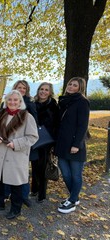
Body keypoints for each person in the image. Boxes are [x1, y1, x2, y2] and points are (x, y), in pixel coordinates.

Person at [0, 90, 38, 220]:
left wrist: (16, 143)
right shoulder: (1, 114)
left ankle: (16, 209)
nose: (12, 102)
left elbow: (33, 137)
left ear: (20, 102)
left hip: (16, 155)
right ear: (6, 101)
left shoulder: (27, 117)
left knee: (16, 184)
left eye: (15, 100)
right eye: (10, 100)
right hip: (0, 153)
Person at [54, 77, 90, 214]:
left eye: (75, 85)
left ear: (80, 88)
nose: (71, 86)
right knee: (66, 174)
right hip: (62, 144)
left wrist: (76, 144)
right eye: (70, 84)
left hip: (75, 145)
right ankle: (74, 196)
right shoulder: (63, 101)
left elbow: (83, 125)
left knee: (75, 175)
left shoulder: (82, 102)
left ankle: (72, 201)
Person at [11, 80, 38, 207]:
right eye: (19, 87)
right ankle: (9, 194)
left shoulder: (29, 104)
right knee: (8, 170)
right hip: (8, 142)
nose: (21, 90)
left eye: (24, 88)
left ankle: (24, 196)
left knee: (22, 171)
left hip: (23, 142)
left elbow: (33, 125)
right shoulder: (8, 102)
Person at [32, 82, 59, 203]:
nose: (43, 91)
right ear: (38, 91)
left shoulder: (53, 105)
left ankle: (42, 194)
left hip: (46, 141)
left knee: (43, 166)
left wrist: (54, 143)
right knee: (34, 165)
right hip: (32, 139)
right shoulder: (33, 104)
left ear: (50, 92)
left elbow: (57, 125)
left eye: (46, 90)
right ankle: (34, 189)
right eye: (41, 89)